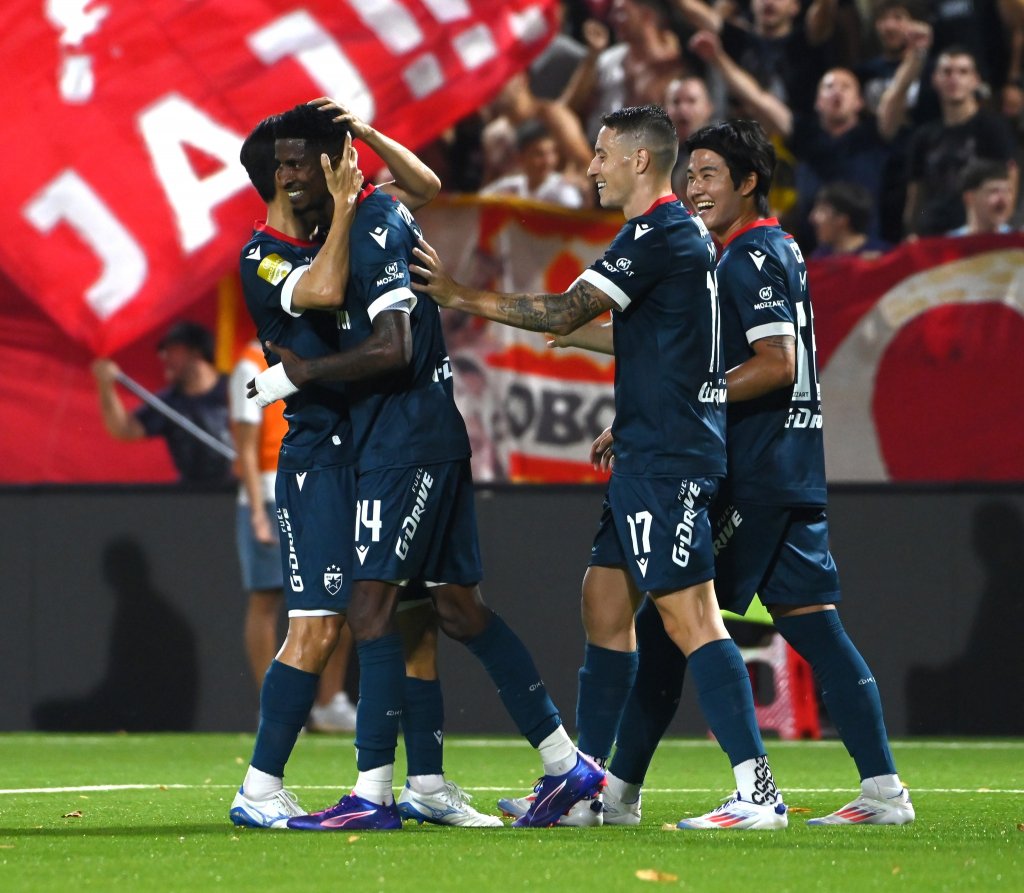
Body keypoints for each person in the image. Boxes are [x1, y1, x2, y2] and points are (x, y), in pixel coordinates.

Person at [409, 105, 788, 830]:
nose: (592, 168)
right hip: (651, 444)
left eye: (602, 154)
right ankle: (590, 788)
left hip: (670, 458)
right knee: (605, 601)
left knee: (691, 614)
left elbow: (563, 311)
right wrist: (623, 403)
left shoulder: (657, 233)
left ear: (640, 160)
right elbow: (656, 340)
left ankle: (757, 789)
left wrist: (459, 295)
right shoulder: (679, 237)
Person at [249, 107, 603, 832]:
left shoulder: (371, 225)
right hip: (416, 437)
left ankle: (372, 794)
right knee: (449, 611)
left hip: (404, 443)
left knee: (370, 609)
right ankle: (563, 764)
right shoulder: (341, 226)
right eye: (279, 166)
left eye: (297, 164)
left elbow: (394, 346)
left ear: (333, 164)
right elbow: (426, 187)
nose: (287, 178)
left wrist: (301, 373)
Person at [561, 119, 914, 828]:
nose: (695, 188)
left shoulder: (745, 258)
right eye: (689, 174)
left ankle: (685, 793)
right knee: (814, 628)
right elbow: (694, 354)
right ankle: (884, 790)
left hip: (752, 475)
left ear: (749, 182)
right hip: (791, 466)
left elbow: (776, 363)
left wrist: (687, 401)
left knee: (676, 625)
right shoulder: (779, 247)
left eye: (710, 175)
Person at [230, 104, 501, 829]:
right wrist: (348, 205)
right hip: (317, 459)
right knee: (320, 627)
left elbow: (424, 188)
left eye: (310, 159)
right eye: (290, 164)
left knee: (408, 619)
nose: (304, 171)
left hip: (367, 449)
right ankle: (261, 785)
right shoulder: (265, 255)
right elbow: (322, 290)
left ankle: (424, 781)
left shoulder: (328, 228)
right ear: (281, 179)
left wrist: (368, 145)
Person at [228, 339, 357, 732]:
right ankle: (275, 705)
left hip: (320, 486)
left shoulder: (318, 354)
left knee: (338, 596)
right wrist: (257, 514)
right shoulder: (249, 364)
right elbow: (246, 449)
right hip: (270, 492)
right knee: (267, 599)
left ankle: (329, 701)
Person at [92, 321, 234, 487]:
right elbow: (124, 429)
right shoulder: (169, 402)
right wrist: (106, 386)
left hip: (238, 492)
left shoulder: (235, 390)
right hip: (191, 494)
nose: (164, 357)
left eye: (172, 350)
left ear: (196, 353)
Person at [903, 46, 1019, 237]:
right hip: (932, 234)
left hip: (975, 232)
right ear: (935, 79)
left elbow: (1009, 179)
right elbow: (917, 196)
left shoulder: (994, 128)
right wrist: (914, 231)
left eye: (963, 72)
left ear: (975, 80)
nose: (954, 78)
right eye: (947, 72)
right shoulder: (923, 136)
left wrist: (1000, 227)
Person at [481, 120, 588, 208]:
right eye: (539, 154)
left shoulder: (562, 191)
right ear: (520, 158)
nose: (548, 161)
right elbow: (480, 201)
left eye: (551, 153)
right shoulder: (511, 186)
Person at [809, 181, 891, 258]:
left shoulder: (883, 256)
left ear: (842, 219)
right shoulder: (819, 257)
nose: (812, 218)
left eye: (822, 210)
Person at [948, 158, 1016, 235]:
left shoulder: (1017, 239)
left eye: (1007, 192)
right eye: (993, 191)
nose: (1003, 199)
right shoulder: (952, 241)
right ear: (969, 198)